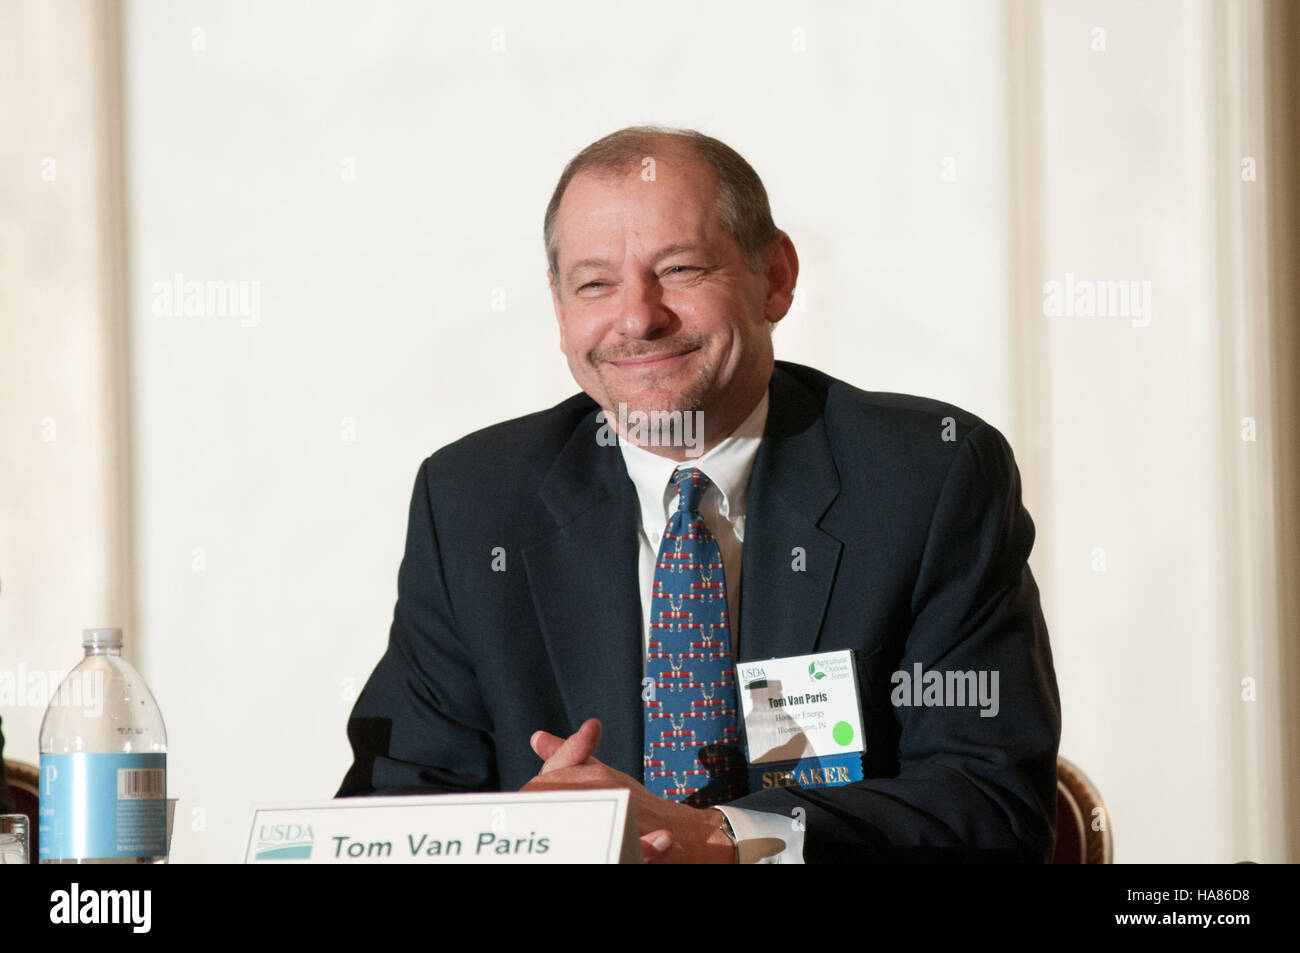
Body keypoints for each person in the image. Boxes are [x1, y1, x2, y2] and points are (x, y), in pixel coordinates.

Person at [337, 126, 1061, 863]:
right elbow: (392, 808)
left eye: (679, 268)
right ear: (560, 315)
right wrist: (523, 837)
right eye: (594, 284)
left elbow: (990, 808)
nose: (637, 317)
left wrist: (723, 837)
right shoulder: (473, 501)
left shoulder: (927, 479)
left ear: (774, 276)